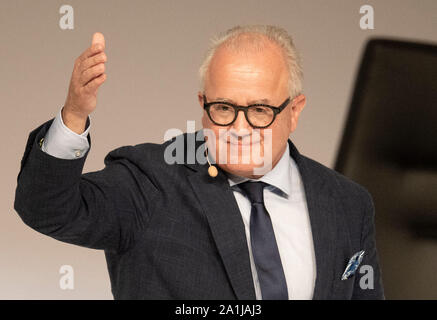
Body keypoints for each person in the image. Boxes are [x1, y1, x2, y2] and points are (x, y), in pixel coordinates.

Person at [14, 25, 384, 299]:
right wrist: (74, 115)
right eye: (223, 108)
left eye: (259, 110)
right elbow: (48, 209)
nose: (240, 128)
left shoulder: (348, 204)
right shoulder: (152, 181)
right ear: (203, 105)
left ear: (295, 111)